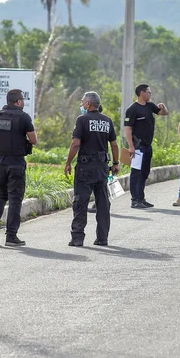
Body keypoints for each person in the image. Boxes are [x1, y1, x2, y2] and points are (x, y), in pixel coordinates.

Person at [65, 91, 120, 247]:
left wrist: (68, 162)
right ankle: (102, 238)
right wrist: (115, 163)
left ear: (89, 104)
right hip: (103, 168)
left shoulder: (82, 120)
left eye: (82, 102)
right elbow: (114, 145)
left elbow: (76, 143)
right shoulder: (107, 121)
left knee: (80, 202)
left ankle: (77, 238)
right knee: (103, 203)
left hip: (85, 167)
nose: (81, 105)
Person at [0, 89, 37, 246]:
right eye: (23, 100)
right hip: (16, 164)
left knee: (0, 195)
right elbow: (34, 140)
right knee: (15, 199)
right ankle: (11, 236)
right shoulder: (24, 117)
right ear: (19, 101)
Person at [123, 83, 169, 209]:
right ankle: (134, 200)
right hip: (137, 146)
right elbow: (128, 129)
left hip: (148, 146)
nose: (150, 94)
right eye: (149, 92)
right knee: (136, 173)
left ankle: (141, 198)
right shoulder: (132, 109)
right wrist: (131, 146)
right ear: (142, 93)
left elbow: (164, 113)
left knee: (145, 172)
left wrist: (163, 107)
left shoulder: (150, 106)